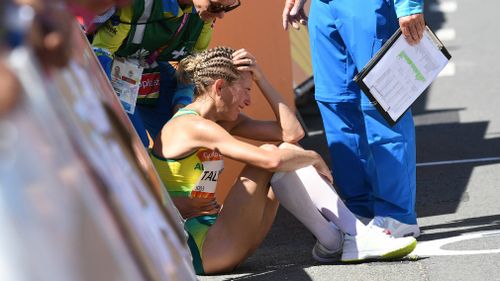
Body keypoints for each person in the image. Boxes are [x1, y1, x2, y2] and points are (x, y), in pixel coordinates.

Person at [150, 46, 417, 275]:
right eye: (245, 89)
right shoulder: (192, 126)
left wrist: (262, 78)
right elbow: (269, 159)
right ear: (220, 87)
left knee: (282, 153)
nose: (248, 100)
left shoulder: (220, 122)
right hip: (201, 248)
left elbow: (292, 133)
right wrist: (312, 157)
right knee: (271, 155)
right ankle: (354, 235)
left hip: (219, 239)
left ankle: (333, 241)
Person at [282, 0, 425, 237]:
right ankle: (359, 211)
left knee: (382, 103)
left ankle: (398, 216)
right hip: (324, 5)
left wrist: (408, 5)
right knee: (336, 102)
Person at [92, 0, 241, 147]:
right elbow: (100, 53)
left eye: (227, 8)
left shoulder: (204, 16)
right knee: (136, 145)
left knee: (183, 138)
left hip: (149, 66)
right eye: (216, 6)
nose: (221, 15)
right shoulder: (138, 4)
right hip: (107, 65)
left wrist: (182, 102)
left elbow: (192, 64)